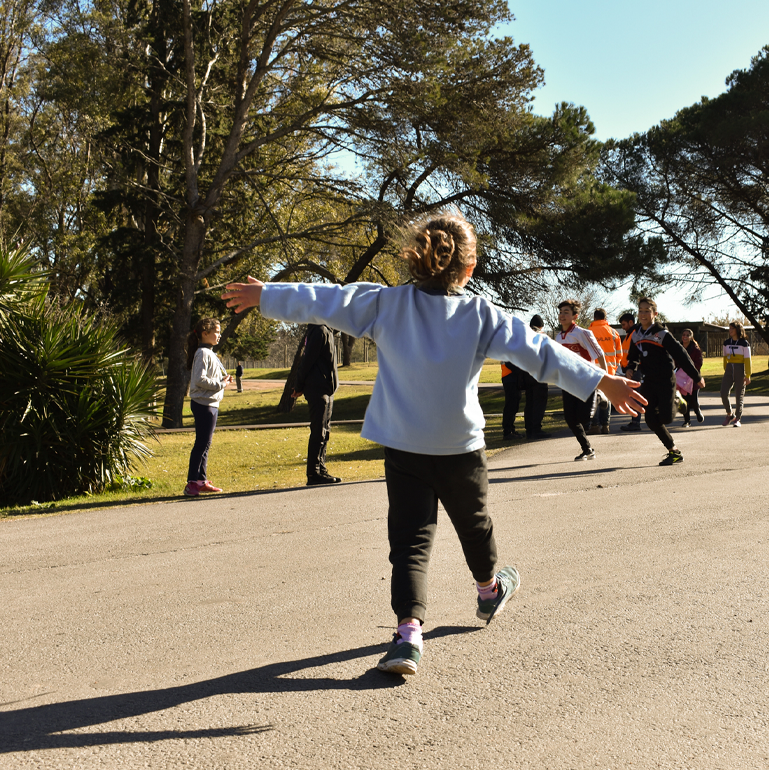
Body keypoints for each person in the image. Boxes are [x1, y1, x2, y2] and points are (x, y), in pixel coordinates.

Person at [222, 210, 645, 677]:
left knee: (410, 542)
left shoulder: (384, 304)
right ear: (468, 269)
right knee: (475, 524)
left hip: (404, 446)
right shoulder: (481, 313)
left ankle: (407, 637)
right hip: (460, 448)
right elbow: (541, 352)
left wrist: (267, 295)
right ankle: (488, 591)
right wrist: (603, 380)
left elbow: (325, 301)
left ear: (416, 260)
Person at [625, 299, 703, 465]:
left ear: (655, 314)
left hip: (666, 380)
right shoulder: (636, 334)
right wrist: (631, 367)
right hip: (649, 381)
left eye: (647, 311)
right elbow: (633, 356)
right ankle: (674, 452)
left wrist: (696, 377)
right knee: (651, 420)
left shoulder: (662, 334)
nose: (643, 314)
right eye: (640, 310)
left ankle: (678, 400)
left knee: (666, 419)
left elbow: (681, 355)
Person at [185, 319, 234, 496]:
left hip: (211, 403)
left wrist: (223, 381)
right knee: (201, 444)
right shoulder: (203, 353)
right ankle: (191, 483)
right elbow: (199, 379)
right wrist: (220, 383)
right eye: (216, 331)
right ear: (205, 333)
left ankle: (201, 480)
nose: (219, 335)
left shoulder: (209, 353)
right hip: (203, 404)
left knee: (206, 444)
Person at [554, 299, 608, 461]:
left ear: (574, 316)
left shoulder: (582, 333)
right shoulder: (558, 337)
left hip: (585, 379)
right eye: (561, 312)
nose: (562, 315)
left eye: (566, 312)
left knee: (584, 418)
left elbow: (599, 354)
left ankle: (598, 396)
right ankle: (587, 449)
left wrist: (604, 376)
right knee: (570, 419)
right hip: (568, 381)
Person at [293, 324, 341, 486]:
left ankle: (321, 469)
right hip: (317, 387)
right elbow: (307, 359)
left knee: (325, 430)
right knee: (319, 430)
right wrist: (298, 385)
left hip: (327, 388)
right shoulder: (319, 330)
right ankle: (313, 473)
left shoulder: (327, 330)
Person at [587, 308, 623, 435]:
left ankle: (595, 425)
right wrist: (614, 366)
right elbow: (619, 354)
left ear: (595, 318)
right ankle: (605, 425)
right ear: (605, 318)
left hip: (593, 370)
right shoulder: (613, 333)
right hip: (609, 370)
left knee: (595, 397)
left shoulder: (589, 332)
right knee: (606, 396)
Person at [523, 315, 551, 439]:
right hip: (539, 373)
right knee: (539, 402)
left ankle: (529, 429)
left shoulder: (523, 336)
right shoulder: (542, 336)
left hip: (525, 373)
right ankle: (536, 429)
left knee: (529, 402)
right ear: (541, 326)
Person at [721, 322, 752, 427]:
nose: (730, 330)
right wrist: (726, 369)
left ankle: (737, 418)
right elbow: (725, 358)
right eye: (729, 328)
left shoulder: (744, 343)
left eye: (732, 329)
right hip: (729, 368)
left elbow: (748, 360)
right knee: (723, 393)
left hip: (740, 368)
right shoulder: (726, 343)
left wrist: (748, 375)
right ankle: (730, 414)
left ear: (738, 330)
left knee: (739, 396)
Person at [618, 312, 643, 431]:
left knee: (636, 396)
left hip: (634, 370)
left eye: (624, 324)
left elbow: (635, 354)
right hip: (630, 369)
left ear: (631, 322)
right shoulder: (629, 334)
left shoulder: (635, 334)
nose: (623, 327)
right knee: (635, 396)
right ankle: (635, 421)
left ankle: (635, 422)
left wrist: (631, 368)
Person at [678, 328, 705, 426]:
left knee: (693, 399)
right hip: (681, 378)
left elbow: (699, 362)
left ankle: (698, 412)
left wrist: (691, 371)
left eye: (687, 335)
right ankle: (687, 421)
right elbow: (675, 360)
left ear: (691, 337)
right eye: (683, 334)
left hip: (693, 378)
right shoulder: (678, 348)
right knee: (684, 400)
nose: (685, 337)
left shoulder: (695, 349)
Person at [500, 359, 528, 440]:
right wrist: (520, 370)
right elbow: (509, 363)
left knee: (514, 405)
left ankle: (511, 429)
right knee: (511, 405)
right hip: (509, 377)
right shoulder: (507, 348)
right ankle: (507, 431)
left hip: (510, 377)